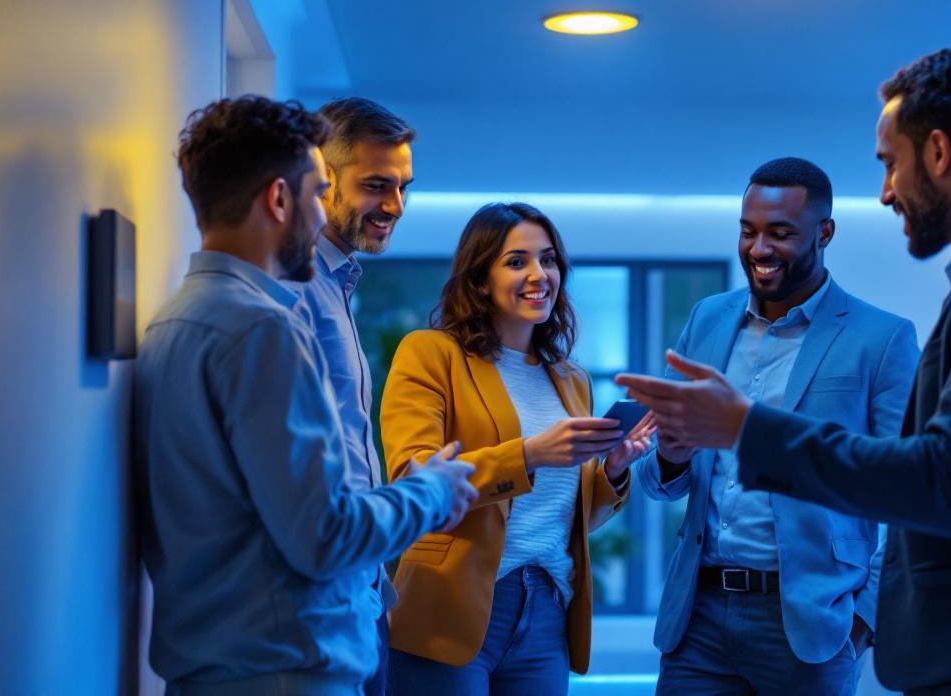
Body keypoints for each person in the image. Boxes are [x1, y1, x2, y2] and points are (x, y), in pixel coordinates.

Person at [617, 47, 951, 696]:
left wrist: (749, 429)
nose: (887, 191)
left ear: (940, 153)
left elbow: (949, 479)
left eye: (891, 164)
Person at [134, 95, 477, 696]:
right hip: (285, 668)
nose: (322, 217)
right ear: (278, 199)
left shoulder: (177, 319)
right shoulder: (261, 328)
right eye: (319, 192)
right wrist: (432, 491)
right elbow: (326, 534)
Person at [634, 157, 919, 696]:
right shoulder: (708, 319)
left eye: (780, 233)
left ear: (825, 232)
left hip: (811, 628)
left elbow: (910, 496)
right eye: (749, 231)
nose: (759, 249)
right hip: (697, 620)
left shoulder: (881, 339)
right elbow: (658, 479)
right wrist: (671, 454)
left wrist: (863, 622)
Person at [381, 202, 654, 695]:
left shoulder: (569, 378)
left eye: (548, 260)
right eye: (516, 261)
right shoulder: (430, 354)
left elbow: (567, 516)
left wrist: (612, 471)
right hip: (453, 607)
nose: (539, 274)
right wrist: (527, 454)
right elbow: (412, 479)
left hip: (546, 609)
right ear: (480, 279)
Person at [290, 97, 416, 694]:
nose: (394, 205)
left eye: (402, 187)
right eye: (375, 185)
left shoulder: (339, 283)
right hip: (320, 607)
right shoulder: (294, 287)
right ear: (321, 177)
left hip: (361, 593)